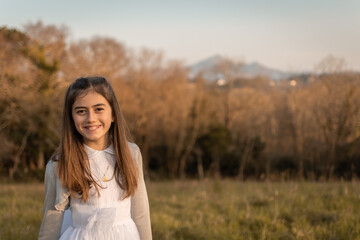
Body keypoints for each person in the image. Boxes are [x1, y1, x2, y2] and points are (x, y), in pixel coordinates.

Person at [38, 77, 152, 240]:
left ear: (113, 114)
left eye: (99, 109)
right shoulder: (59, 165)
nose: (90, 118)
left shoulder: (131, 153)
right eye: (81, 111)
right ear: (71, 118)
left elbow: (140, 213)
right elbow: (51, 221)